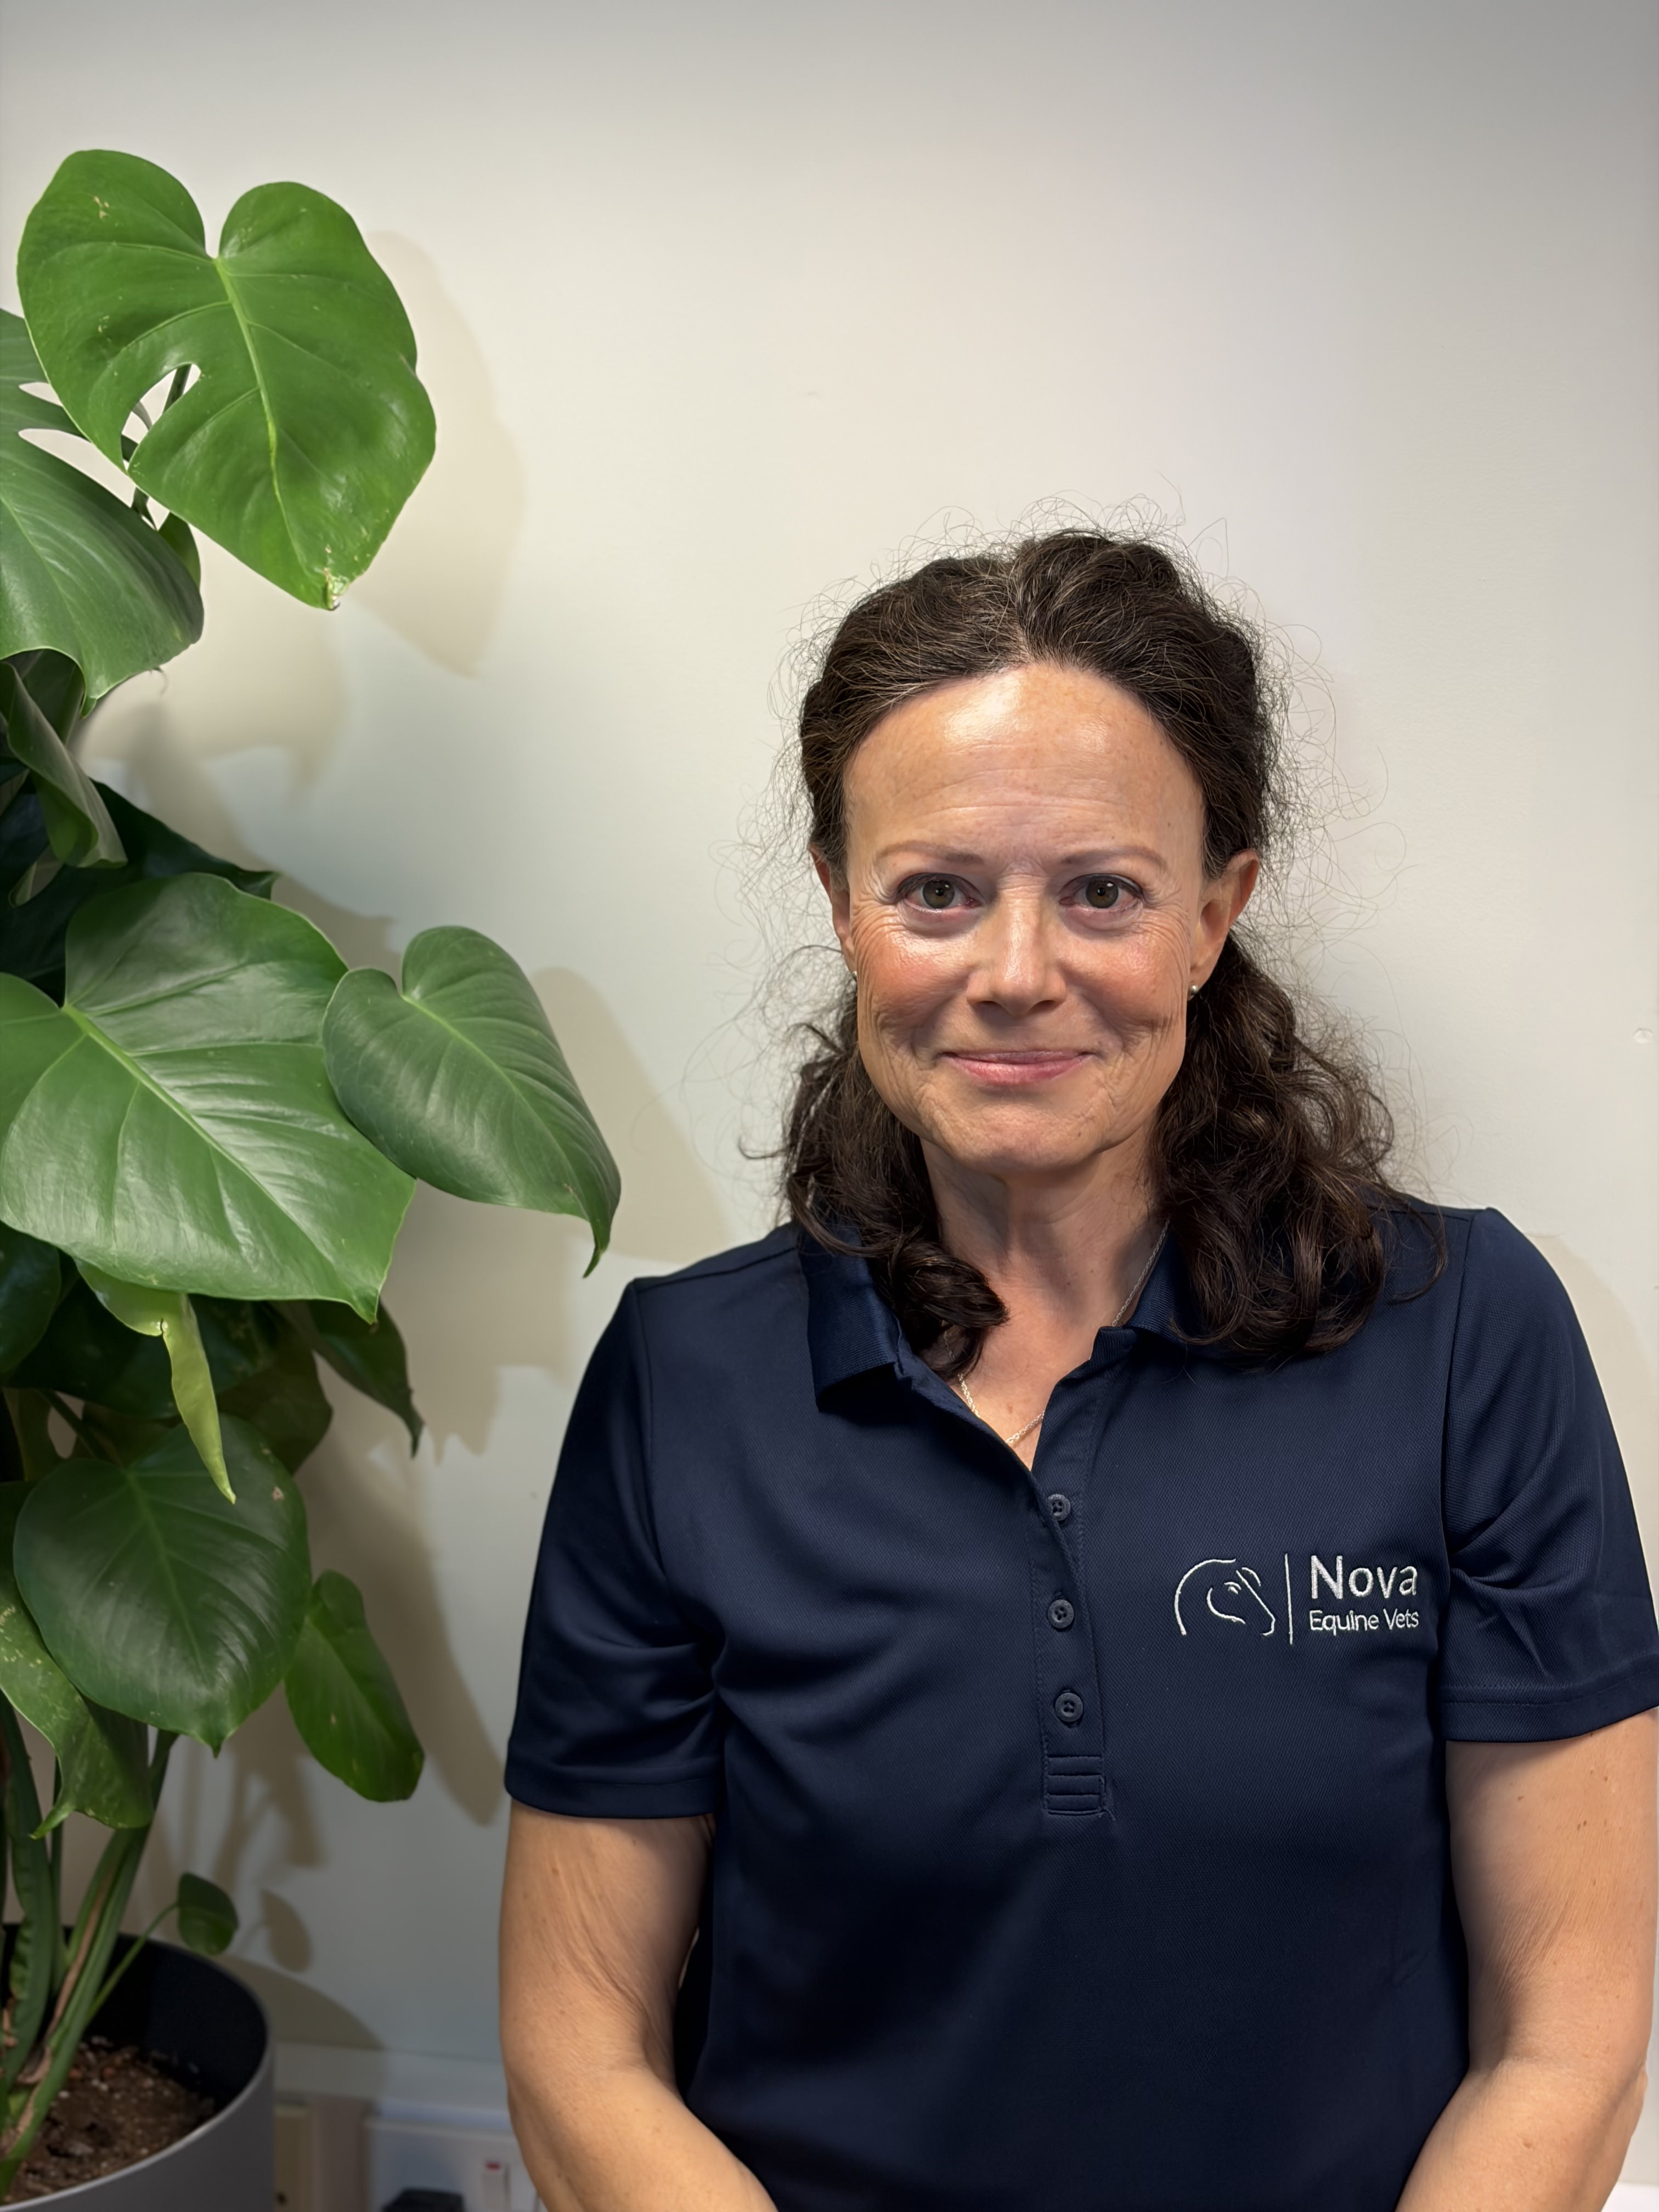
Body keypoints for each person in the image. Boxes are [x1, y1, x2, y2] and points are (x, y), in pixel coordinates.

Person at [499, 532, 1658, 2211]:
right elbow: (577, 2052)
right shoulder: (685, 1384)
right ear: (844, 907)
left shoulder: (1466, 1334)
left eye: (1102, 890)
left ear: (1216, 912)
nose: (1017, 969)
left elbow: (1569, 2037)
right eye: (938, 891)